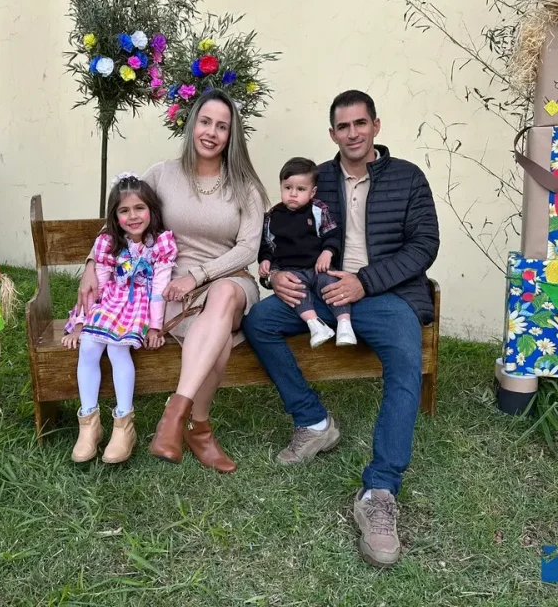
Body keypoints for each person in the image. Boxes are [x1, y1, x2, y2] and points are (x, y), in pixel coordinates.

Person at [242, 90, 440, 567]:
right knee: (259, 321)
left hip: (384, 296)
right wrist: (274, 276)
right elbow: (279, 236)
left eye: (360, 123)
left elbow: (424, 245)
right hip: (320, 291)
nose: (353, 133)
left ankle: (379, 491)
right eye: (343, 126)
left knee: (406, 361)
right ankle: (314, 421)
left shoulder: (408, 178)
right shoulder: (316, 180)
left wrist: (364, 282)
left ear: (375, 126)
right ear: (333, 133)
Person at [78, 89, 268, 473]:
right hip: (169, 286)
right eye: (205, 122)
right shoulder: (162, 174)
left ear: (231, 135)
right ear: (192, 123)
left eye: (222, 126)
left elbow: (248, 248)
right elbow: (118, 219)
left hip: (228, 278)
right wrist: (90, 265)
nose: (211, 132)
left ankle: (173, 415)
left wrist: (199, 275)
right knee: (217, 341)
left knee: (224, 295)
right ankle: (198, 427)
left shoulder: (244, 185)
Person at [63, 175, 177, 465]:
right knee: (89, 346)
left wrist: (155, 327)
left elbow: (160, 288)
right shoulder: (108, 243)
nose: (133, 216)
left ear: (151, 209)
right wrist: (80, 323)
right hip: (111, 301)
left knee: (117, 349)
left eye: (139, 208)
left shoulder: (160, 243)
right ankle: (89, 424)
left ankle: (124, 424)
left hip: (140, 305)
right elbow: (97, 286)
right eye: (124, 211)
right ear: (115, 216)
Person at [258, 156, 356, 349]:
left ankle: (345, 325)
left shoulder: (318, 210)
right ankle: (315, 326)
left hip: (318, 267)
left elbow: (332, 234)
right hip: (291, 270)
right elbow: (267, 244)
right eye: (288, 188)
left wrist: (328, 252)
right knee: (296, 293)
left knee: (332, 286)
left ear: (312, 192)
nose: (293, 194)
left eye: (301, 189)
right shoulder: (273, 216)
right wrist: (266, 260)